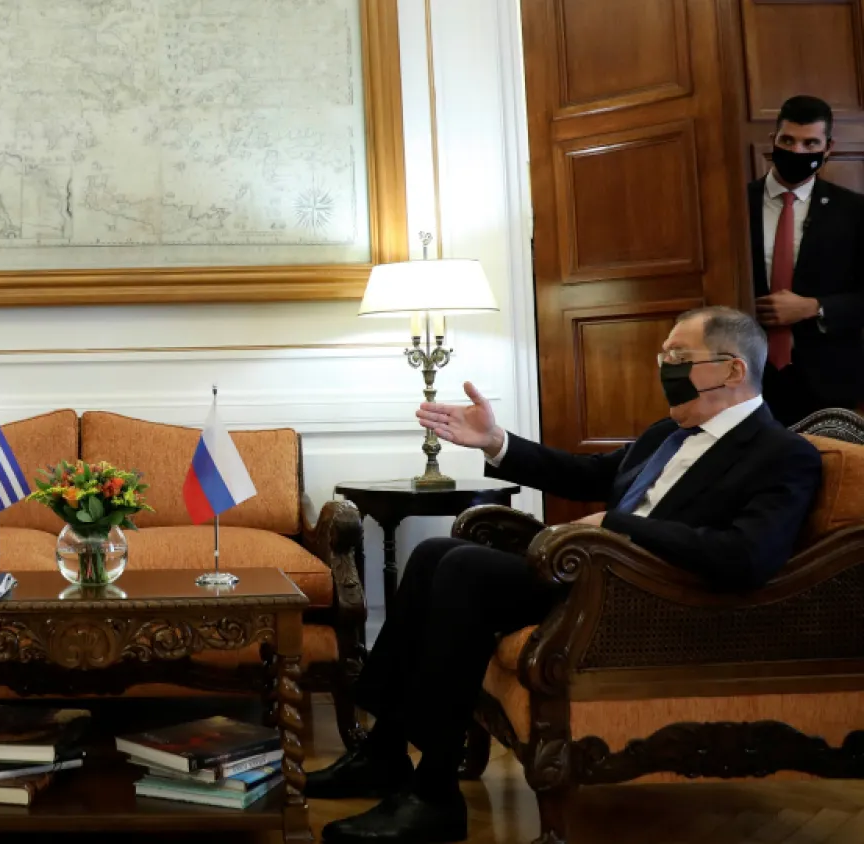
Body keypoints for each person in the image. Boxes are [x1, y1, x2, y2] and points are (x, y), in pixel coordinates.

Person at [309, 307, 822, 844]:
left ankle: (434, 794)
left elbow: (747, 556)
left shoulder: (782, 454)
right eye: (662, 356)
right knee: (436, 553)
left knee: (461, 566)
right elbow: (586, 474)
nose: (664, 367)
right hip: (590, 575)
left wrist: (620, 527)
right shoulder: (664, 435)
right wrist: (495, 442)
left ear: (733, 371)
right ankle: (384, 751)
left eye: (678, 358)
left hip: (646, 598)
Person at [749, 95, 864, 426]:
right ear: (773, 141)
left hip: (827, 381)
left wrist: (815, 307)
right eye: (788, 140)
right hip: (746, 377)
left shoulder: (854, 211)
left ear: (827, 148)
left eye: (810, 143)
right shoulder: (734, 204)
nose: (798, 152)